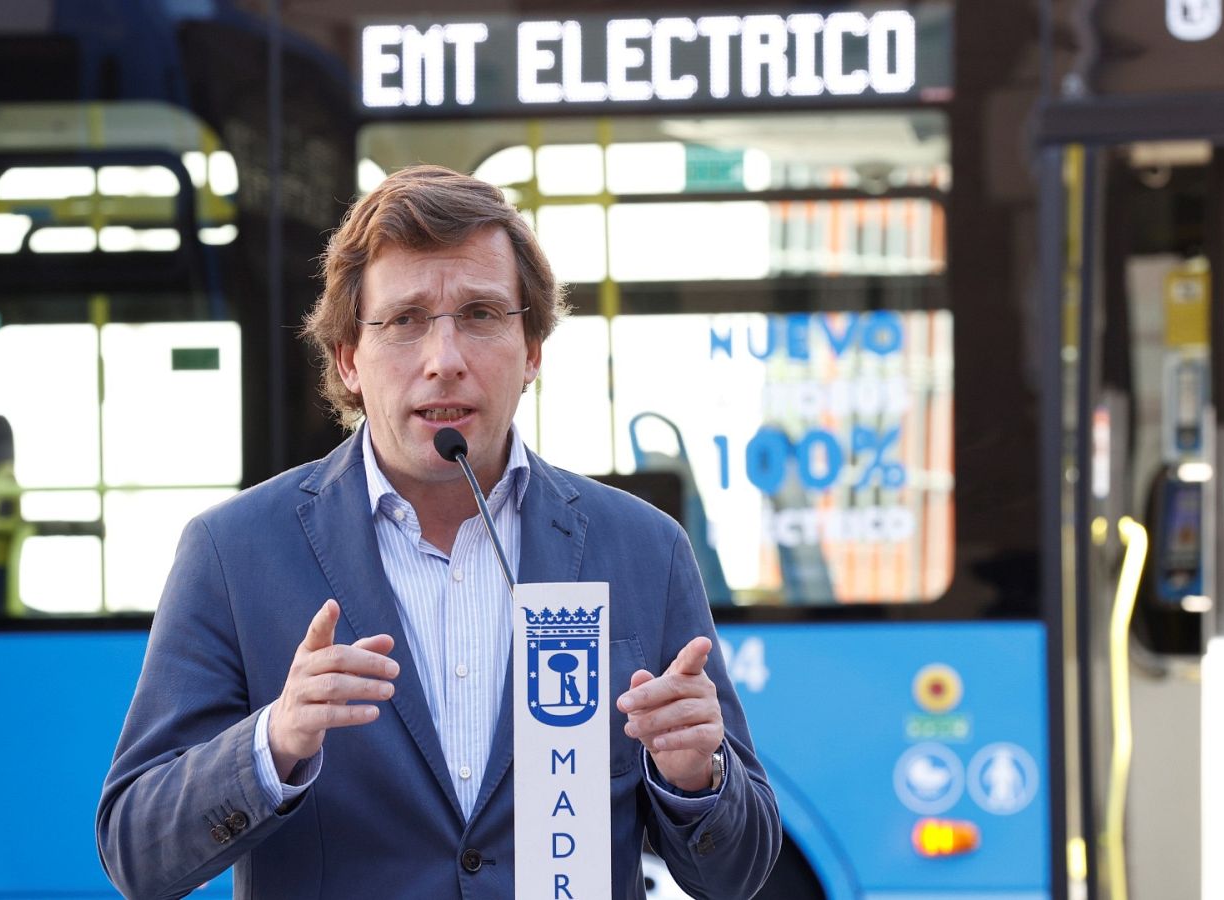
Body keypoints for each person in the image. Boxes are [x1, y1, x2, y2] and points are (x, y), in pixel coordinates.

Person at [96, 165, 781, 899]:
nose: (444, 360)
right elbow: (137, 852)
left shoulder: (644, 550)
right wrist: (275, 742)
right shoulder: (234, 553)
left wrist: (697, 776)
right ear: (348, 359)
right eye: (406, 320)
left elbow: (738, 871)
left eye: (483, 315)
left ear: (534, 353)